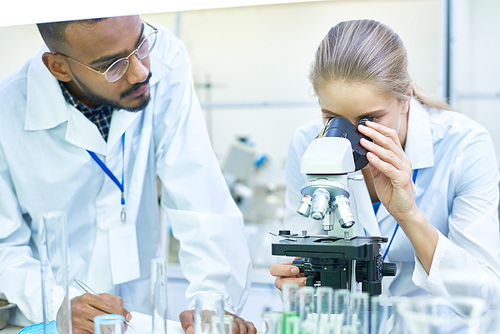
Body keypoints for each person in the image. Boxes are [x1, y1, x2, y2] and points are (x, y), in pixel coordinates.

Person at [0, 15, 256, 334]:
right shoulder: (7, 111)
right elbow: (4, 245)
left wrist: (214, 304)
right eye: (112, 65)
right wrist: (57, 305)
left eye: (140, 45)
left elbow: (199, 194)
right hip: (57, 321)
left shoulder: (166, 61)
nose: (140, 71)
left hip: (141, 313)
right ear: (59, 68)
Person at [270, 19, 500, 304]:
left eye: (370, 120)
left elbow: (486, 296)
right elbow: (301, 256)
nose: (351, 139)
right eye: (332, 119)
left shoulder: (464, 145)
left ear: (405, 97)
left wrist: (410, 216)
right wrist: (297, 283)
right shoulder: (307, 144)